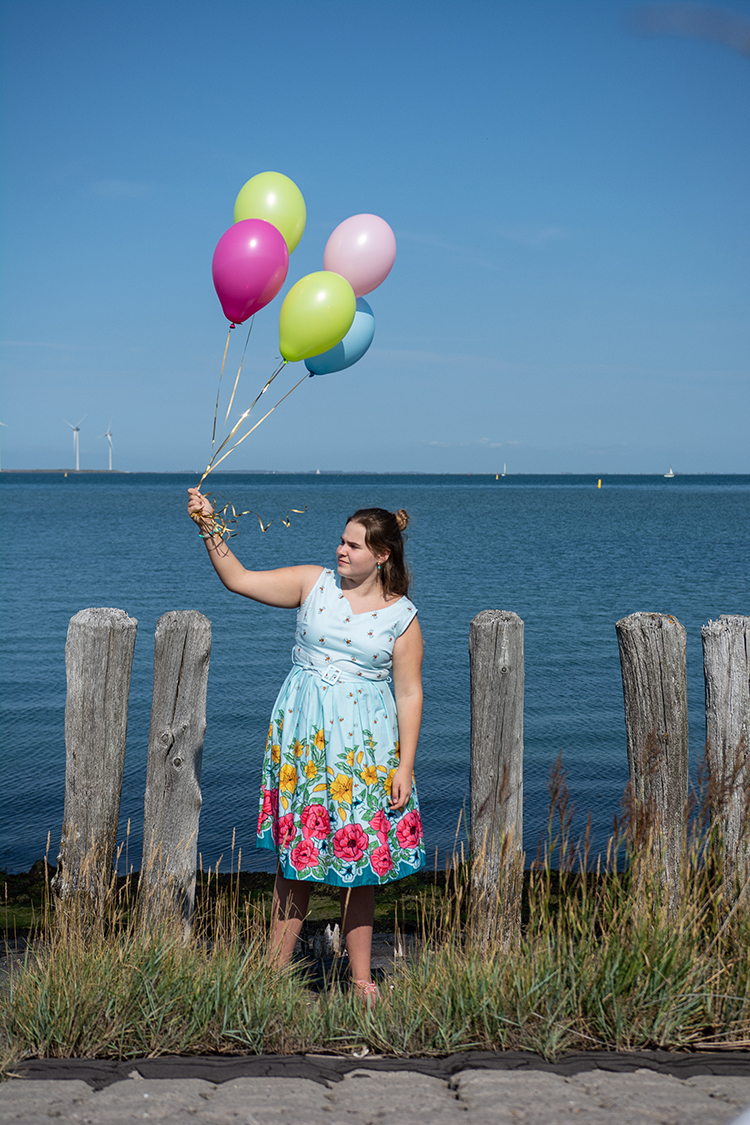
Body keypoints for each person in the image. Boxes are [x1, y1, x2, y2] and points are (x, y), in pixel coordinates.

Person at [187, 488, 425, 1001]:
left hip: (365, 749)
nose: (342, 551)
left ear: (382, 555)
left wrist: (405, 765)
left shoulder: (402, 616)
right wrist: (209, 526)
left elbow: (409, 692)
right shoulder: (312, 583)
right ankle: (272, 978)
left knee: (359, 869)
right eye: (341, 541)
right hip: (304, 741)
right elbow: (239, 579)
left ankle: (361, 980)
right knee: (296, 860)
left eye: (354, 546)